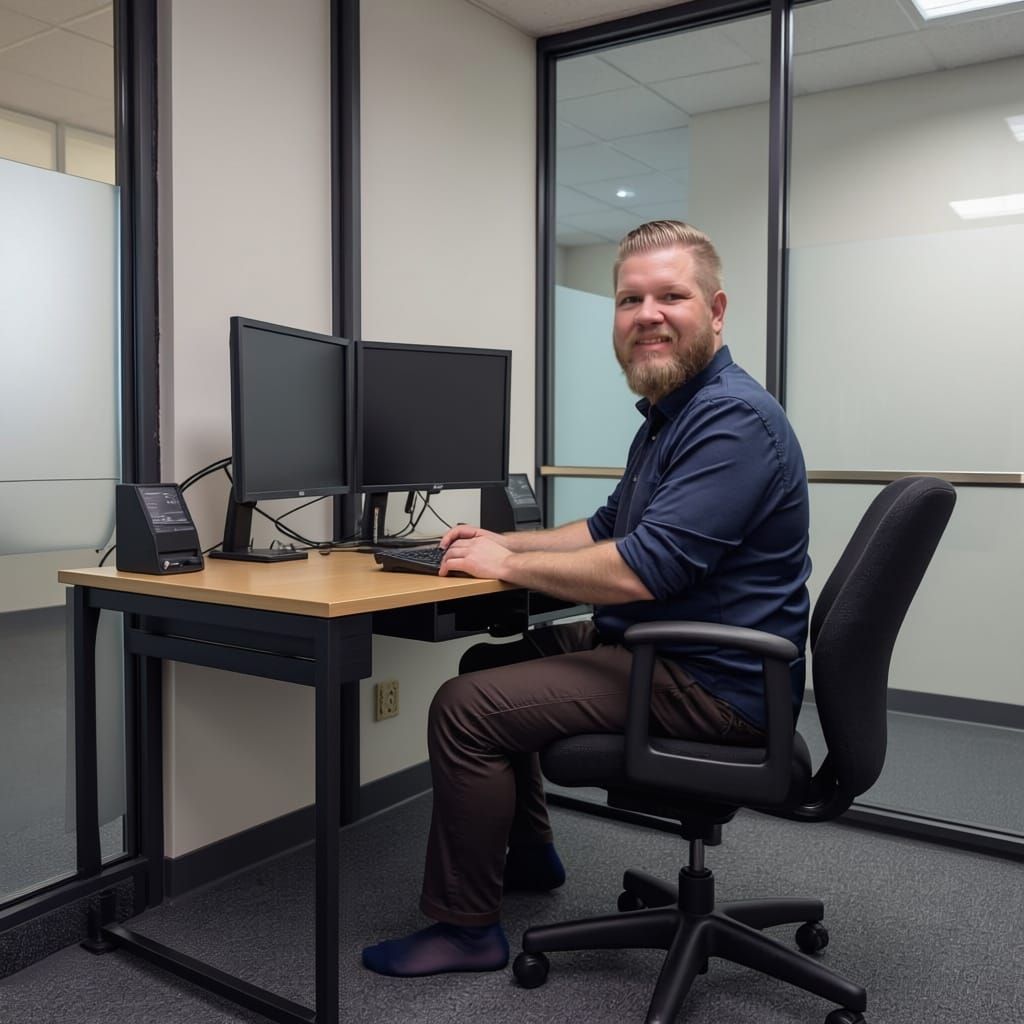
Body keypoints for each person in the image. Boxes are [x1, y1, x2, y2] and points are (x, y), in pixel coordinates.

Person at [361, 220, 811, 978]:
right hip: (676, 647)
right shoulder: (674, 414)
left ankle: (466, 929)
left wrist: (508, 564)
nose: (647, 314)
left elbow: (644, 569)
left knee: (463, 708)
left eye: (672, 295)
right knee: (485, 662)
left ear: (718, 309)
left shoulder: (731, 419)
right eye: (630, 299)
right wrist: (501, 543)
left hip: (714, 683)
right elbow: (607, 528)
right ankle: (531, 854)